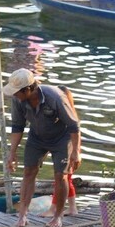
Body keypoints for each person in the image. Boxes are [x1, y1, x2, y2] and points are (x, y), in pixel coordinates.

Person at [3, 68, 81, 227]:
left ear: (27, 90)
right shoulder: (18, 100)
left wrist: (76, 152)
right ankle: (22, 215)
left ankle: (58, 216)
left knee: (61, 176)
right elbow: (17, 126)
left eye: (17, 92)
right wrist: (12, 152)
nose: (15, 95)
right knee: (28, 172)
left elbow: (74, 126)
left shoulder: (54, 97)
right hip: (37, 136)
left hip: (62, 137)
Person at [42, 86, 79, 217]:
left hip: (68, 150)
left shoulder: (67, 118)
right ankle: (73, 207)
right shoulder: (69, 116)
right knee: (67, 179)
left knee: (61, 180)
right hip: (70, 149)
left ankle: (53, 208)